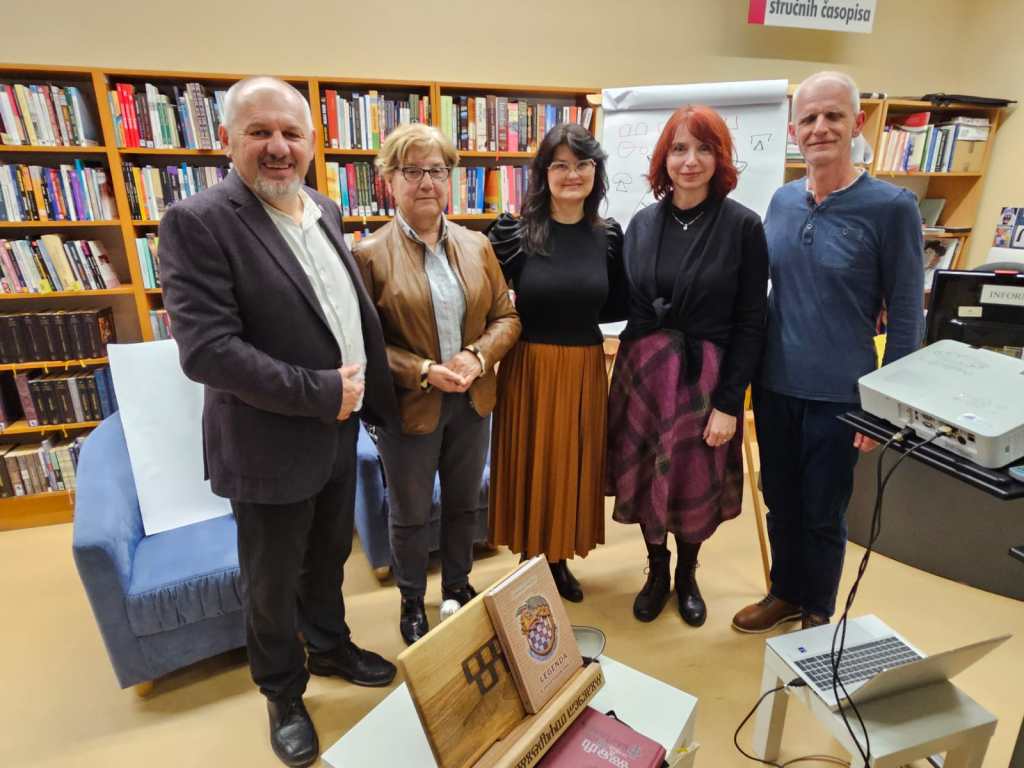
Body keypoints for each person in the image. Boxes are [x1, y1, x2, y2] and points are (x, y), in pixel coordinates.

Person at [158, 77, 400, 768]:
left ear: (312, 143)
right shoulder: (197, 222)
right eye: (259, 131)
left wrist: (364, 400)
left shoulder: (322, 207)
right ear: (226, 139)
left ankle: (328, 646)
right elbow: (208, 351)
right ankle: (283, 691)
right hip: (267, 442)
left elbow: (337, 311)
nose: (277, 146)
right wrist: (323, 392)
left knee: (328, 556)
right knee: (270, 581)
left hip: (338, 432)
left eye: (292, 133)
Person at [732, 71, 924, 634]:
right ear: (794, 131)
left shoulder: (892, 208)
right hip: (775, 386)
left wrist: (884, 407)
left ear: (857, 124)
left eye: (833, 116)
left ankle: (817, 610)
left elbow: (907, 315)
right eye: (809, 118)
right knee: (781, 501)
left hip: (842, 396)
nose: (820, 128)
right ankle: (785, 593)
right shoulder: (782, 201)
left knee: (823, 512)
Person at [353, 123, 520, 646]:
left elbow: (506, 318)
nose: (426, 182)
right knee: (409, 513)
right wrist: (424, 370)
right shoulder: (368, 255)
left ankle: (457, 585)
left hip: (472, 403)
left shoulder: (478, 246)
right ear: (389, 180)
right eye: (412, 171)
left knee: (465, 503)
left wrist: (477, 355)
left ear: (450, 179)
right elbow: (363, 346)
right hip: (410, 409)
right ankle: (410, 598)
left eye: (437, 170)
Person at [606, 105, 769, 627]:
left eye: (703, 149)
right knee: (646, 477)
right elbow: (623, 300)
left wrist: (729, 404)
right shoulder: (643, 223)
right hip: (645, 374)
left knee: (692, 480)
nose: (690, 160)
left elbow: (752, 322)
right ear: (664, 158)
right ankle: (656, 571)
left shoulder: (743, 226)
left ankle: (687, 574)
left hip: (705, 378)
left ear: (720, 158)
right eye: (679, 149)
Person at [486, 123, 627, 602]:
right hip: (528, 368)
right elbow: (484, 300)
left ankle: (558, 559)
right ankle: (529, 560)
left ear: (596, 171)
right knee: (530, 465)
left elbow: (617, 303)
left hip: (584, 368)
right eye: (560, 165)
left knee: (571, 466)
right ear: (543, 173)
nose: (572, 174)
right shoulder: (513, 233)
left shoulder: (609, 236)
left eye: (582, 164)